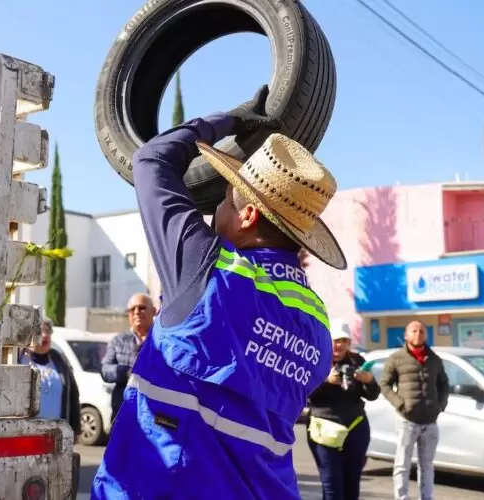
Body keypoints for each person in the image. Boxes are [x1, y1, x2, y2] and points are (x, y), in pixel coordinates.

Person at [91, 86, 343, 499]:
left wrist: (229, 120)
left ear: (247, 215)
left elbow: (151, 158)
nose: (212, 212)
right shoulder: (316, 319)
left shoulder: (207, 267)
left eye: (223, 200)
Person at [307, 322, 380, 500]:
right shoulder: (315, 359)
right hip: (324, 429)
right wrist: (325, 380)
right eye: (335, 340)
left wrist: (369, 380)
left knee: (352, 483)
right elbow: (306, 395)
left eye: (343, 341)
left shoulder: (357, 361)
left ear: (348, 343)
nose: (338, 345)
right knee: (332, 485)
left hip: (355, 427)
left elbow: (372, 395)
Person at [379, 321, 449, 500]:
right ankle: (402, 497)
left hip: (430, 421)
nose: (418, 334)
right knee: (402, 464)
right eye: (414, 331)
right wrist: (400, 404)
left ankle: (427, 497)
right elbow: (385, 384)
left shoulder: (434, 359)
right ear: (406, 335)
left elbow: (443, 383)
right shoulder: (396, 358)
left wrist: (440, 405)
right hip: (407, 420)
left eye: (422, 331)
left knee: (427, 465)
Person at [18, 318, 81, 434]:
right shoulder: (18, 359)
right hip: (24, 432)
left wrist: (75, 429)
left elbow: (73, 395)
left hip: (56, 432)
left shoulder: (59, 360)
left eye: (48, 331)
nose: (45, 335)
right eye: (40, 331)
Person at [100, 293, 155, 423]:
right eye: (132, 309)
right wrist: (125, 372)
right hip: (123, 413)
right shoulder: (118, 341)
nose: (136, 312)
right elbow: (105, 370)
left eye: (141, 307)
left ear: (154, 311)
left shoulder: (162, 342)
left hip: (153, 416)